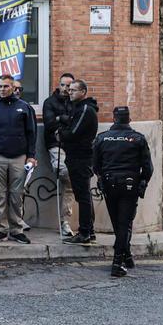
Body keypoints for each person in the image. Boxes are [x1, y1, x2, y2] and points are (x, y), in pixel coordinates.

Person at [93, 106, 153, 277]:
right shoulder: (137, 139)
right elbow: (148, 167)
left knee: (117, 223)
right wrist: (143, 182)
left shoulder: (102, 138)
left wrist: (102, 176)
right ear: (129, 120)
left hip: (109, 183)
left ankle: (126, 257)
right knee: (124, 224)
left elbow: (96, 165)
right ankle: (117, 263)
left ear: (114, 119)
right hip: (129, 184)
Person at [0, 74, 37, 244]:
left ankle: (17, 230)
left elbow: (31, 133)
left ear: (14, 88)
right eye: (0, 87)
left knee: (16, 196)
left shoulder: (24, 107)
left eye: (6, 86)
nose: (2, 89)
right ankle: (0, 229)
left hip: (19, 158)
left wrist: (31, 156)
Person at [60, 79, 100, 246]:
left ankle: (85, 232)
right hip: (76, 157)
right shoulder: (78, 108)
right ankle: (88, 231)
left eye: (74, 90)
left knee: (83, 196)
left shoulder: (85, 109)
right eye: (69, 89)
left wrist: (61, 133)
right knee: (82, 195)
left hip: (81, 158)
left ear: (83, 92)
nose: (70, 92)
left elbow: (73, 133)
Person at [42, 72, 77, 237]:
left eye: (69, 86)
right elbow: (49, 124)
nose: (65, 88)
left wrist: (63, 120)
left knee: (71, 183)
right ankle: (65, 222)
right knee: (65, 172)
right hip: (55, 144)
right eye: (63, 85)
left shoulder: (75, 102)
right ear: (59, 85)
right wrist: (62, 118)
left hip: (72, 145)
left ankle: (65, 222)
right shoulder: (50, 102)